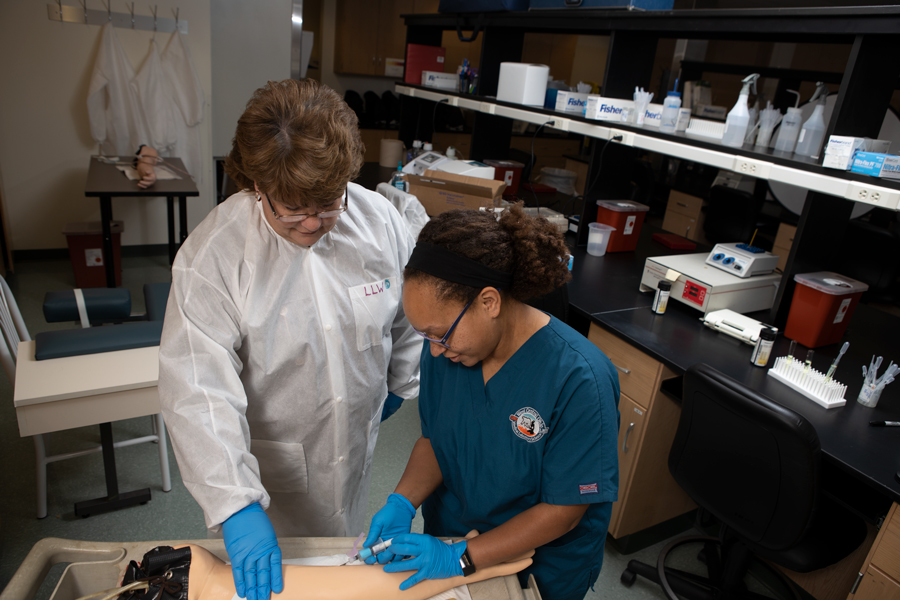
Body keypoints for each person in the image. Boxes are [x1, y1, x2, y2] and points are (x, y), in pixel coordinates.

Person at [158, 79, 420, 600]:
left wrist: (400, 383)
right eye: (293, 209)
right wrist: (235, 505)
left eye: (327, 204)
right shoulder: (214, 256)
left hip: (355, 442)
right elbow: (196, 388)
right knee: (278, 584)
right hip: (270, 470)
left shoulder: (379, 221)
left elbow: (408, 315)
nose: (314, 223)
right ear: (256, 185)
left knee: (340, 561)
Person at [364, 205, 620, 600]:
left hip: (538, 568)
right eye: (425, 337)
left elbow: (566, 510)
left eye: (439, 335)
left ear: (489, 302)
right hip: (451, 536)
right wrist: (402, 501)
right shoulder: (450, 352)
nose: (433, 353)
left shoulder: (580, 378)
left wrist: (464, 558)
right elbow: (437, 441)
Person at [115, 540, 533, 600]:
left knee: (369, 584)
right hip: (199, 575)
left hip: (200, 578)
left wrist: (470, 563)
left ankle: (477, 560)